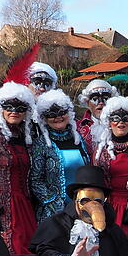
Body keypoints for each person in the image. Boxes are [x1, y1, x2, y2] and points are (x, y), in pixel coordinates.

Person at [0, 80, 38, 256]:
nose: (14, 112)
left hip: (24, 204)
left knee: (29, 246)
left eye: (20, 108)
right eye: (9, 107)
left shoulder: (26, 137)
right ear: (0, 108)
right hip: (1, 206)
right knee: (11, 250)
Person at [93, 95, 128, 243]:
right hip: (109, 206)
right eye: (116, 118)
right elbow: (95, 182)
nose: (121, 123)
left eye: (126, 118)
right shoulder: (101, 151)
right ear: (108, 122)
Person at [30, 88, 90, 221]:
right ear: (44, 118)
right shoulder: (41, 144)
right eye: (51, 114)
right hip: (53, 213)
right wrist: (53, 203)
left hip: (82, 209)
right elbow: (35, 180)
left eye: (62, 112)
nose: (57, 117)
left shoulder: (79, 140)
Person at [76, 79, 118, 152]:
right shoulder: (76, 127)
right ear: (87, 102)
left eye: (105, 98)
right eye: (95, 99)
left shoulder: (120, 126)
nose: (101, 103)